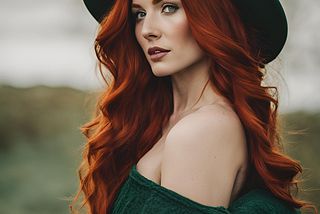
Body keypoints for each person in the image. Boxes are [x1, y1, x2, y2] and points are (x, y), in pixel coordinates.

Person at [71, 0, 317, 213]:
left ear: (214, 16)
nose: (147, 30)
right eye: (139, 13)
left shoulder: (202, 130)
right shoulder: (164, 119)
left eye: (168, 7)